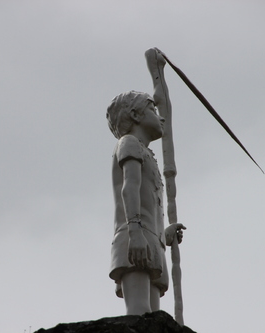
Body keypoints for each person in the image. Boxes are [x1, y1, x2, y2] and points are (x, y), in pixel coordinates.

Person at [106, 48, 185, 316]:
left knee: (153, 317)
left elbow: (148, 202)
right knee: (140, 314)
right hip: (134, 235)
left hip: (150, 238)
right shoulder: (129, 143)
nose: (160, 116)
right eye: (152, 108)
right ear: (137, 115)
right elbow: (130, 187)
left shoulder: (147, 153)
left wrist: (164, 236)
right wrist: (136, 232)